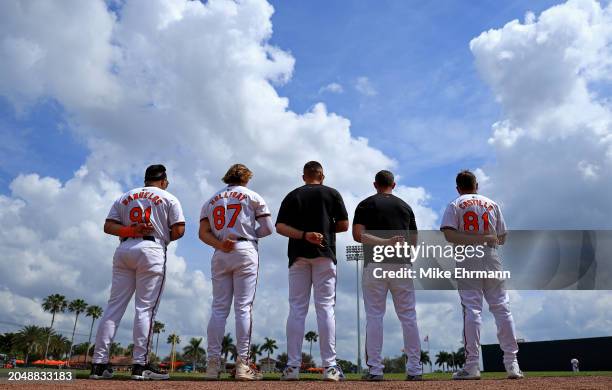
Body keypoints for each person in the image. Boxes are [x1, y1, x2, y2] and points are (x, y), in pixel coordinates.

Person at [91, 164, 185, 380]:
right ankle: (140, 365)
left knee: (113, 307)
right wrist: (163, 237)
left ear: (145, 179)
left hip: (124, 248)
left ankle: (98, 364)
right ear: (163, 180)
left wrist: (130, 230)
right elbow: (179, 229)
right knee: (145, 309)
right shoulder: (168, 197)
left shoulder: (126, 196)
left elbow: (108, 226)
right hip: (151, 249)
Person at [440, 170, 523, 380]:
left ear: (458, 187)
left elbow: (449, 234)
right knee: (502, 307)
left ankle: (472, 366)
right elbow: (502, 237)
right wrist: (486, 237)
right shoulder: (492, 203)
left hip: (468, 256)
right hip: (491, 255)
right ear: (477, 185)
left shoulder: (455, 204)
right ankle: (512, 364)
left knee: (472, 309)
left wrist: (472, 238)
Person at [276, 161, 349, 382]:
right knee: (325, 308)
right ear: (322, 176)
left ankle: (292, 367)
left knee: (297, 309)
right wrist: (325, 228)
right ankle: (330, 367)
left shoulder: (293, 195)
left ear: (303, 176)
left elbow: (280, 227)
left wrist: (304, 234)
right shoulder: (332, 193)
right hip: (324, 255)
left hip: (298, 254)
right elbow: (345, 225)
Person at [199, 164, 273, 381]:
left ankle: (212, 366)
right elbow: (268, 228)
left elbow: (203, 233)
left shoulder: (211, 200)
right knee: (243, 308)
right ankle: (243, 364)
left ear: (227, 178)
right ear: (247, 178)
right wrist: (250, 235)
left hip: (220, 251)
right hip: (244, 248)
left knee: (219, 308)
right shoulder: (253, 196)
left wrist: (221, 244)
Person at [352, 170, 422, 381]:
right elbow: (414, 241)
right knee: (408, 316)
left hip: (375, 263)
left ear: (375, 184)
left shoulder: (365, 204)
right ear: (394, 184)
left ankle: (375, 369)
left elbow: (357, 235)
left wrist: (383, 243)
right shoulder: (405, 206)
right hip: (401, 264)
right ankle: (415, 369)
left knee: (374, 316)